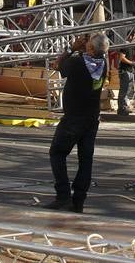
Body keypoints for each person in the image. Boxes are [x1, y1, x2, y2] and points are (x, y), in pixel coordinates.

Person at [47, 32, 109, 214]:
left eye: (88, 42)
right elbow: (90, 57)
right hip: (91, 118)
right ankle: (79, 200)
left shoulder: (76, 63)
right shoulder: (103, 65)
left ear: (90, 48)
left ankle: (63, 196)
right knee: (85, 159)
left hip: (73, 117)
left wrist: (72, 48)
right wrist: (83, 50)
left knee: (57, 153)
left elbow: (58, 65)